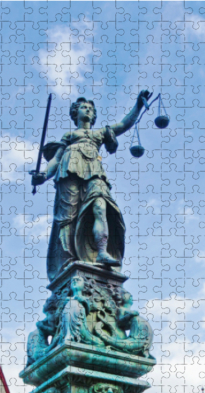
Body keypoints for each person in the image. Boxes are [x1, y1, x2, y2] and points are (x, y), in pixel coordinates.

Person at [32, 91, 152, 281]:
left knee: (100, 205)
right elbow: (56, 159)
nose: (87, 110)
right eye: (83, 107)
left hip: (94, 171)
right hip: (69, 171)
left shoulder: (99, 133)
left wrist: (137, 106)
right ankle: (67, 261)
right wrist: (43, 175)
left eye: (90, 108)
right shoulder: (70, 135)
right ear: (75, 113)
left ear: (94, 115)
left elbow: (123, 124)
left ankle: (102, 251)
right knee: (67, 218)